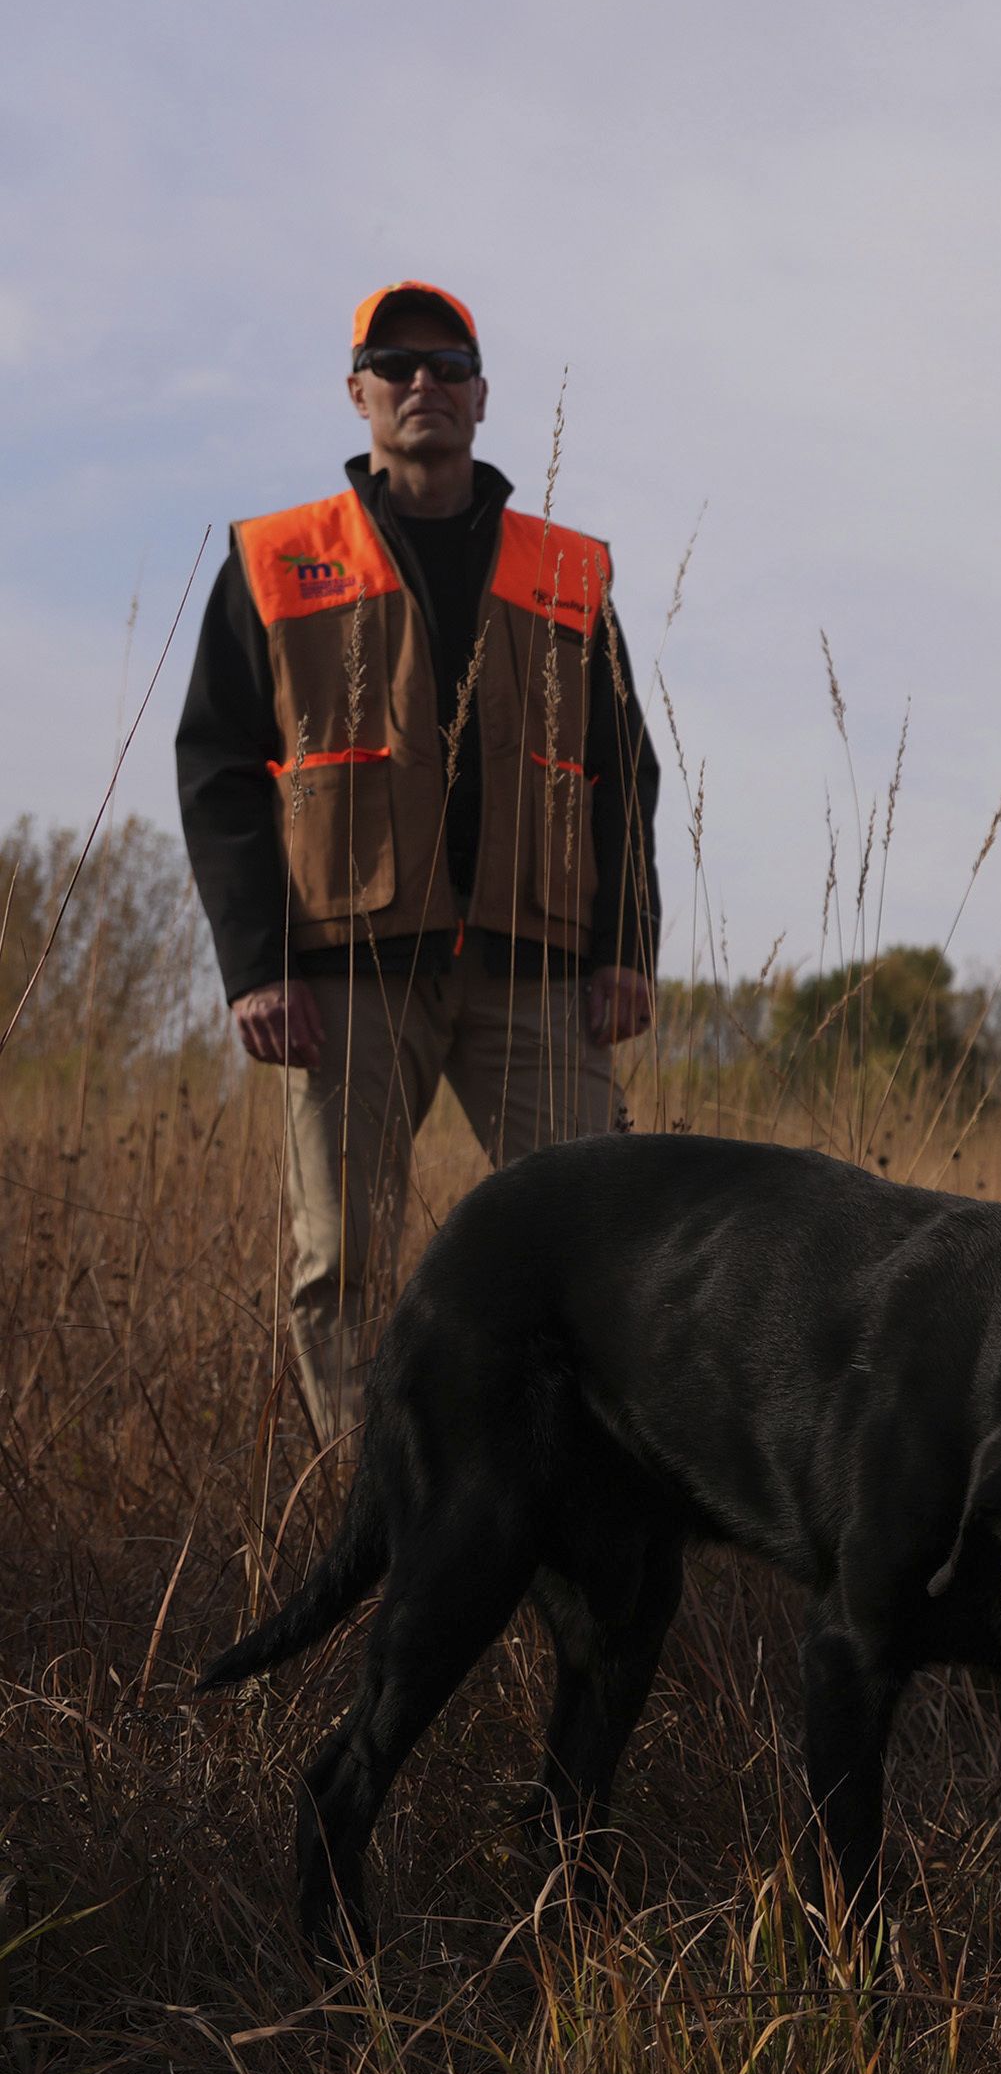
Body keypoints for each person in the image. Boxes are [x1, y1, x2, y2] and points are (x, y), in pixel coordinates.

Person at [176, 281, 659, 1442]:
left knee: (611, 1250)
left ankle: (587, 1511)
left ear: (485, 396)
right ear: (358, 396)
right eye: (395, 366)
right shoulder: (277, 559)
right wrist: (256, 965)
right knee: (341, 1263)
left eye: (448, 364)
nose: (423, 384)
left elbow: (622, 776)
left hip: (538, 975)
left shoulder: (567, 569)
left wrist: (626, 951)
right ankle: (363, 1514)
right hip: (346, 979)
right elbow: (218, 772)